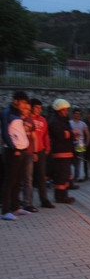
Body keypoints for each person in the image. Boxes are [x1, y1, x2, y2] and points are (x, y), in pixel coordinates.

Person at [2, 91, 32, 220]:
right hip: (13, 151)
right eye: (23, 102)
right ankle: (5, 210)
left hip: (22, 150)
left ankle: (15, 207)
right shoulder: (6, 113)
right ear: (16, 101)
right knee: (10, 180)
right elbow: (5, 132)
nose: (24, 105)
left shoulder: (18, 114)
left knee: (18, 180)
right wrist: (14, 148)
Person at [48, 99, 76, 204]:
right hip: (60, 153)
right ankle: (59, 196)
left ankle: (64, 195)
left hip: (66, 152)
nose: (66, 112)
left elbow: (67, 133)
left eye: (66, 110)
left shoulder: (64, 120)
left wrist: (70, 134)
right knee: (60, 176)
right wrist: (71, 134)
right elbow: (60, 134)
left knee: (65, 176)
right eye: (64, 110)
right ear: (58, 110)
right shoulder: (54, 121)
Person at [29, 99, 55, 208]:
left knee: (41, 176)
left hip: (41, 151)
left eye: (40, 108)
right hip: (29, 151)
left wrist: (47, 147)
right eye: (36, 107)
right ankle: (28, 202)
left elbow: (46, 135)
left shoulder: (43, 120)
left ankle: (44, 200)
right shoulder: (27, 119)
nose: (39, 110)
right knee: (29, 178)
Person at [20, 98, 38, 212]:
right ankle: (15, 202)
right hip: (18, 153)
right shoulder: (15, 119)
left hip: (29, 153)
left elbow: (34, 137)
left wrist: (35, 151)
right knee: (16, 179)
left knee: (28, 179)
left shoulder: (30, 121)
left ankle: (28, 202)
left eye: (28, 109)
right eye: (25, 108)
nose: (26, 111)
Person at [69, 109, 89, 182]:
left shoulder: (82, 124)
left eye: (79, 114)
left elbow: (87, 133)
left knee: (79, 161)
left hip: (80, 144)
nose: (77, 115)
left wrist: (86, 143)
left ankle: (77, 176)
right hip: (72, 144)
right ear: (73, 114)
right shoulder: (70, 123)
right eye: (76, 113)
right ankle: (70, 176)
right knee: (71, 161)